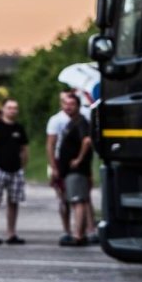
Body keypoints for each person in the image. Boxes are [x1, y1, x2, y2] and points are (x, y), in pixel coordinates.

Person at [47, 90, 96, 243]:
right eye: (65, 104)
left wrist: (78, 159)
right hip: (67, 170)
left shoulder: (81, 121)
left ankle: (78, 235)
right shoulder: (70, 122)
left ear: (78, 106)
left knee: (78, 201)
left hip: (76, 170)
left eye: (72, 104)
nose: (68, 107)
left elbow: (87, 141)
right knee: (73, 200)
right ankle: (76, 232)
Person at [0, 99, 29, 245]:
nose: (12, 110)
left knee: (13, 202)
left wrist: (22, 165)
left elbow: (24, 148)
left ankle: (11, 233)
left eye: (15, 108)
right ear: (3, 109)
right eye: (9, 108)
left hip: (16, 170)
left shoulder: (19, 128)